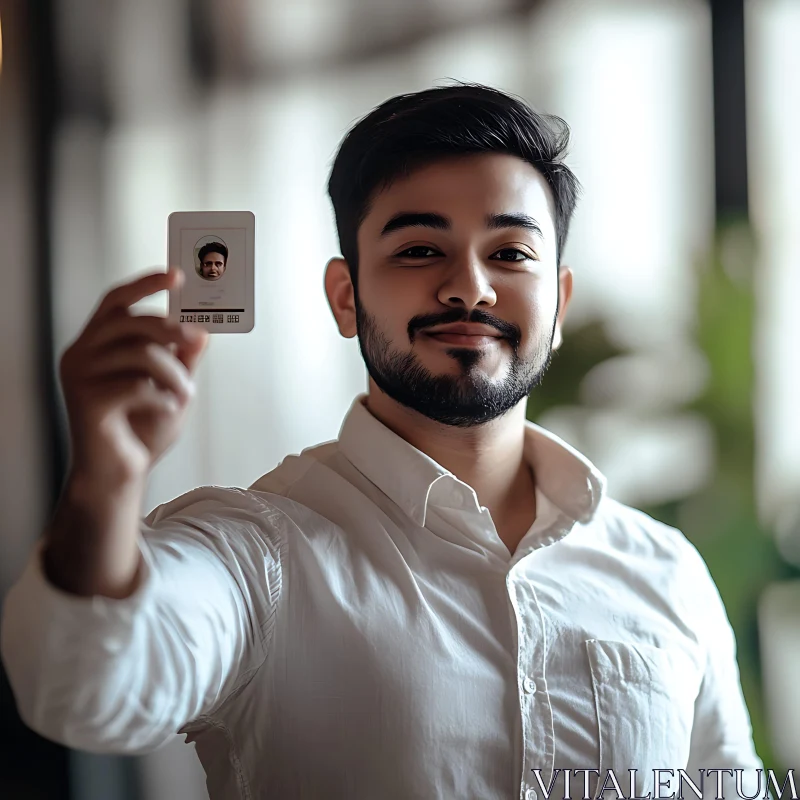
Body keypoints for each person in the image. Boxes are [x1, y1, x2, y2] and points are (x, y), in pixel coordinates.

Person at [1, 83, 765, 800]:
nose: (470, 287)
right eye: (418, 251)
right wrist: (104, 480)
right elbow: (86, 692)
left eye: (510, 253)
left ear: (557, 302)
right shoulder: (257, 554)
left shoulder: (664, 572)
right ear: (346, 296)